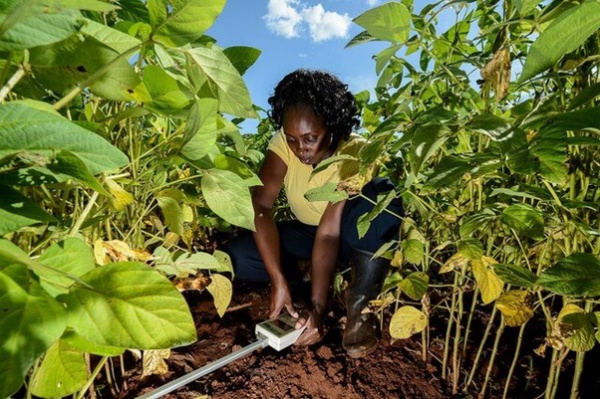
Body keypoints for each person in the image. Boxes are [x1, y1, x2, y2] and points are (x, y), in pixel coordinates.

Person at [223, 69, 403, 357]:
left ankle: (359, 301)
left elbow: (330, 233)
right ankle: (305, 272)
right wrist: (276, 278)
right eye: (292, 139)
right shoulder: (284, 143)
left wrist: (318, 307)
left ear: (332, 126)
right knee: (239, 255)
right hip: (307, 233)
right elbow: (261, 206)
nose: (300, 150)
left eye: (310, 138)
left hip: (345, 238)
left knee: (382, 194)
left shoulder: (356, 151)